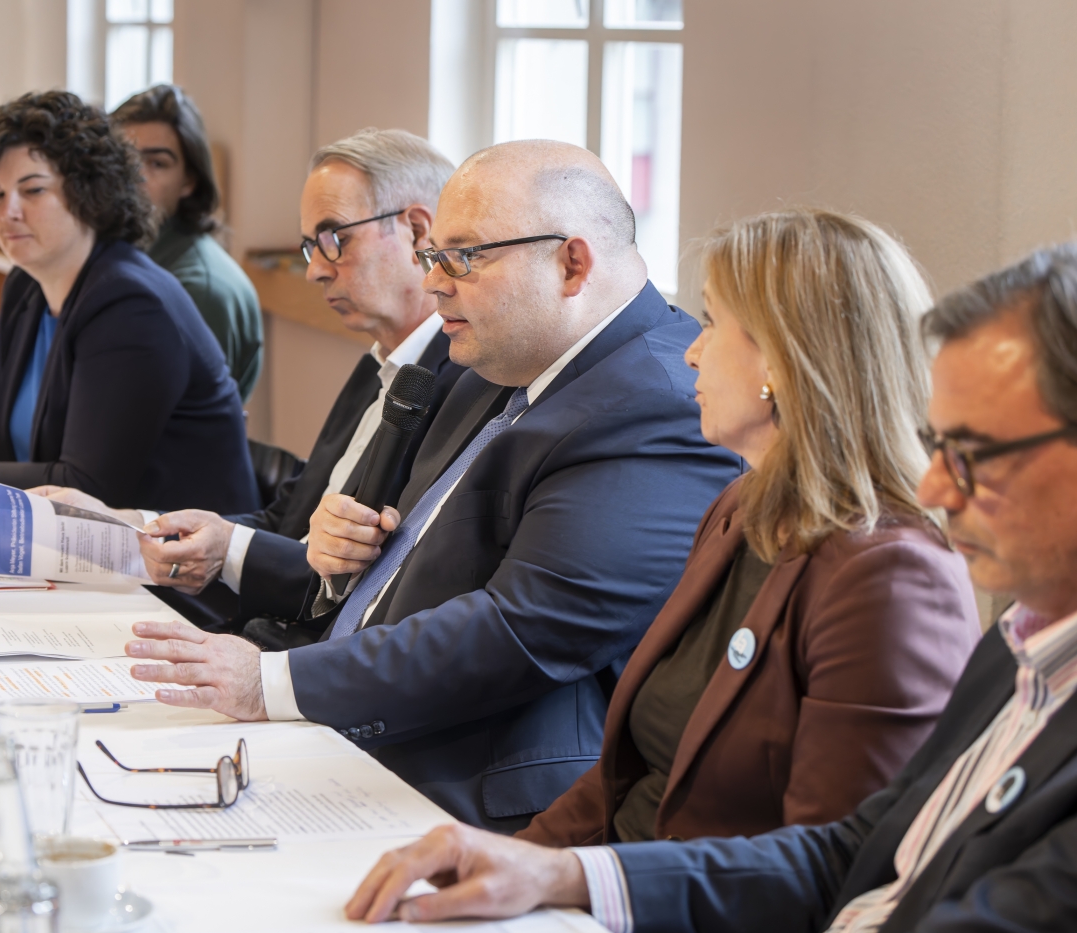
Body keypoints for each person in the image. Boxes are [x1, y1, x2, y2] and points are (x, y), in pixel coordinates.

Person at [344, 242, 1077, 931]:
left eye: (974, 452)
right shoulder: (1012, 646)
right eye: (943, 445)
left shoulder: (895, 573)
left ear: (781, 365)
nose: (938, 484)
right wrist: (548, 872)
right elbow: (852, 849)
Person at [122, 140, 744, 830]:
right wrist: (333, 554)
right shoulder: (495, 358)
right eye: (432, 257)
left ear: (571, 263)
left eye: (464, 257)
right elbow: (395, 555)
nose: (436, 283)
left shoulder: (655, 404)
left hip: (469, 787)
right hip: (350, 721)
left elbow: (520, 630)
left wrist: (269, 682)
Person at [514, 210, 979, 850]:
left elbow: (832, 862)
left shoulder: (893, 576)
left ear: (782, 360)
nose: (692, 350)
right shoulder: (742, 505)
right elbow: (627, 777)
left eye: (709, 321)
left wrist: (573, 881)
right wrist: (509, 860)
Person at [35, 128, 465, 635]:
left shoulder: (459, 385)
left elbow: (360, 585)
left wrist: (227, 548)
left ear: (417, 232)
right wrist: (128, 524)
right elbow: (289, 520)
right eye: (311, 247)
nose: (315, 273)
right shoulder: (381, 361)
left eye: (334, 240)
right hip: (260, 630)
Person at [0, 91, 258, 515]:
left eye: (32, 190)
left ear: (90, 194)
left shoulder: (131, 305)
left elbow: (87, 486)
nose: (7, 211)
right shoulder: (26, 284)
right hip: (81, 552)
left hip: (178, 564)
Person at [112, 85, 264, 401]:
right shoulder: (127, 256)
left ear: (189, 181)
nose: (135, 178)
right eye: (124, 159)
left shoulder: (200, 289)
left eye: (157, 163)